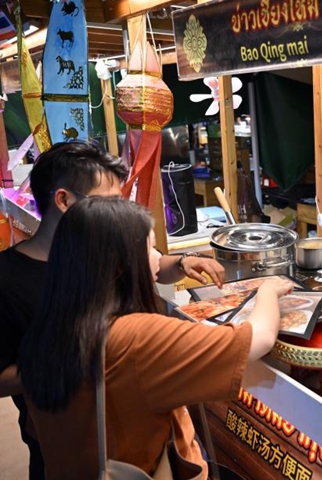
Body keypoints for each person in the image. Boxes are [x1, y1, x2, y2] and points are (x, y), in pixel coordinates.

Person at [17, 197, 294, 480]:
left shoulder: (47, 330)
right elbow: (259, 337)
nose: (157, 259)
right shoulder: (136, 337)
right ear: (121, 265)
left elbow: (37, 430)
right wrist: (268, 290)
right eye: (150, 248)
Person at [0, 141, 226, 479]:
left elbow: (149, 266)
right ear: (63, 200)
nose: (118, 212)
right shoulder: (7, 280)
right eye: (109, 202)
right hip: (63, 439)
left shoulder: (103, 247)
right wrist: (82, 360)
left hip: (138, 428)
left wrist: (181, 262)